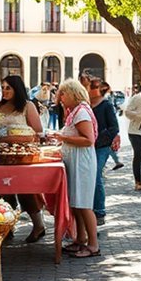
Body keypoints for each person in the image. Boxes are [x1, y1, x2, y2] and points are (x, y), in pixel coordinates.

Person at [0, 75, 48, 243]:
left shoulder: (27, 106)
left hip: (23, 156)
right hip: (0, 157)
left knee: (27, 191)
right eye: (3, 87)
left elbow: (38, 132)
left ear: (17, 88)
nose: (4, 91)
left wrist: (14, 138)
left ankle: (39, 226)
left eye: (8, 88)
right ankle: (7, 227)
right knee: (2, 191)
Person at [56, 79, 101, 258]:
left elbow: (88, 140)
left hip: (82, 163)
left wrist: (62, 138)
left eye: (63, 93)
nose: (60, 97)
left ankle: (93, 245)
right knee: (77, 203)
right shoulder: (74, 111)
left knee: (84, 204)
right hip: (75, 162)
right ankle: (80, 239)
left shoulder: (81, 112)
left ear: (73, 94)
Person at [89, 77, 120, 225]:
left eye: (91, 87)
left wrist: (100, 139)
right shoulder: (86, 105)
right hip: (87, 147)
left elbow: (114, 127)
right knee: (89, 176)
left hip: (101, 147)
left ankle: (99, 210)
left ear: (98, 89)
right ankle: (90, 207)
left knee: (96, 176)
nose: (88, 90)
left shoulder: (106, 105)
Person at [100, 81, 124, 170]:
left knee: (108, 146)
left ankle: (114, 162)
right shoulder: (109, 97)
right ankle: (116, 161)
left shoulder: (106, 99)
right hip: (108, 128)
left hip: (106, 128)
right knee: (109, 146)